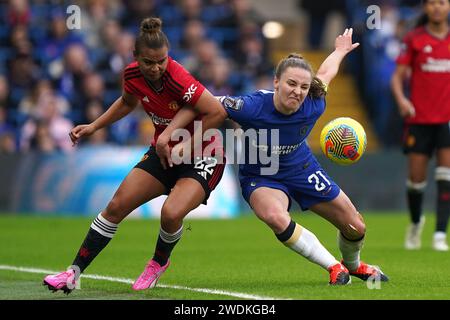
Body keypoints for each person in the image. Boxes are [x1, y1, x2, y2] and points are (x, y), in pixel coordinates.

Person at [159, 28, 389, 285]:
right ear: (276, 82)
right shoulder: (251, 106)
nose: (297, 91)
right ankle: (334, 267)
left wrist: (340, 50)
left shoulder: (314, 102)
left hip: (300, 166)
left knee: (356, 226)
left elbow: (325, 73)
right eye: (291, 84)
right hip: (261, 175)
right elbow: (204, 103)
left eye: (303, 86)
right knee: (275, 216)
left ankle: (354, 265)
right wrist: (178, 138)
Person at [42, 17, 226, 294]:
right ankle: (73, 273)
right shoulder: (131, 75)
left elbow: (217, 112)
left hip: (203, 153)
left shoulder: (178, 76)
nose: (156, 68)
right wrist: (94, 126)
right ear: (135, 58)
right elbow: (128, 102)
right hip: (164, 152)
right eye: (149, 62)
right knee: (116, 207)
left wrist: (184, 145)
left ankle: (158, 263)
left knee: (171, 213)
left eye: (161, 61)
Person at [391, 0, 450, 251]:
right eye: (432, 3)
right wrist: (402, 100)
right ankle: (416, 223)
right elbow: (397, 77)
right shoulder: (414, 39)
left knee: (445, 177)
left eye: (442, 2)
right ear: (426, 8)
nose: (437, 7)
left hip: (446, 121)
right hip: (418, 120)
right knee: (416, 181)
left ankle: (439, 234)